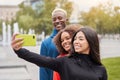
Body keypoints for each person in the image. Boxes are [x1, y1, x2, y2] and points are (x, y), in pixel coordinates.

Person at [11, 27, 107, 80]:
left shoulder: (101, 69)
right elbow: (40, 59)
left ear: (91, 42)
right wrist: (19, 51)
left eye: (81, 39)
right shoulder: (64, 62)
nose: (76, 42)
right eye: (75, 39)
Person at [40, 8, 68, 80]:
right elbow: (43, 68)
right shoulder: (46, 43)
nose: (57, 21)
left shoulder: (74, 38)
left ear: (66, 19)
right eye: (54, 19)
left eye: (60, 18)